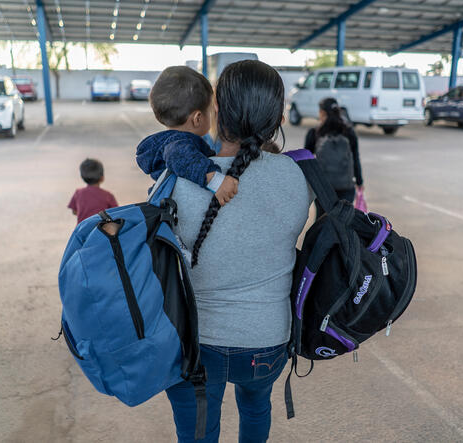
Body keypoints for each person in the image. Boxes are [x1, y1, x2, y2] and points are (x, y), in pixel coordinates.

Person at [164, 60, 313, 443]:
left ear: (215, 113)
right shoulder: (299, 178)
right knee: (256, 408)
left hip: (201, 343)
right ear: (278, 117)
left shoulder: (177, 181)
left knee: (199, 431)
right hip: (270, 341)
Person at [136, 66, 238, 206]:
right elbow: (176, 154)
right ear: (197, 118)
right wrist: (216, 180)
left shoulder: (168, 141)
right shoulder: (179, 143)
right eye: (210, 111)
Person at [303, 97, 364, 213]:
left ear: (322, 112)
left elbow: (307, 163)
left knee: (322, 221)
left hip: (323, 187)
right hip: (346, 186)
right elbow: (356, 158)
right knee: (343, 222)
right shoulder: (349, 132)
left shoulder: (315, 133)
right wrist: (360, 182)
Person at [68, 158, 118, 224]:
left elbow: (74, 211)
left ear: (82, 177)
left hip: (81, 230)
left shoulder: (78, 193)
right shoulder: (108, 195)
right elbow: (116, 213)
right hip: (100, 231)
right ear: (102, 178)